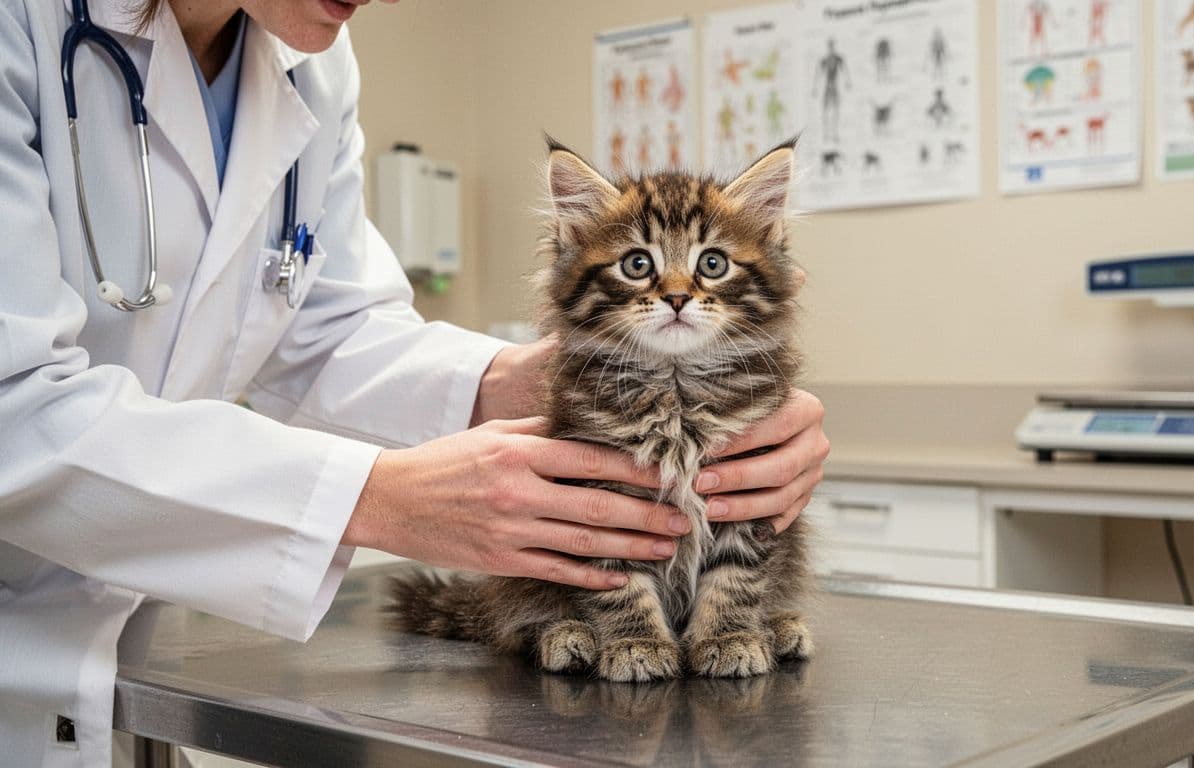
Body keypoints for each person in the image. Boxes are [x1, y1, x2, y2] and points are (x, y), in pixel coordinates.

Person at [0, 1, 831, 765]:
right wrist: (378, 498)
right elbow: (15, 410)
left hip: (119, 662)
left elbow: (328, 325)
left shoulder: (309, 62)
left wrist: (528, 378)